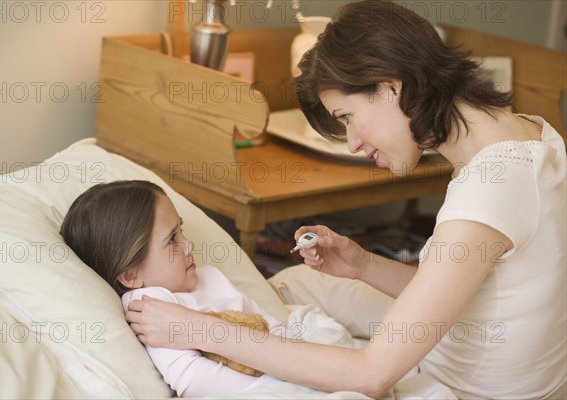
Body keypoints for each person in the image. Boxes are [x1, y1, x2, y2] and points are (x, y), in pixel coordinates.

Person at [123, 0, 566, 399]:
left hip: (464, 386)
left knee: (288, 303)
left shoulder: (491, 185)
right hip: (484, 346)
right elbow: (468, 287)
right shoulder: (524, 133)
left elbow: (371, 374)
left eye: (348, 117)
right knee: (298, 282)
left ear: (392, 87)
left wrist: (197, 329)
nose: (353, 143)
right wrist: (361, 264)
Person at [59, 180, 359, 398]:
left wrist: (301, 360)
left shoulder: (210, 277)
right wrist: (277, 388)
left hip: (282, 368)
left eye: (182, 229)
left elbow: (269, 325)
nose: (189, 244)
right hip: (255, 389)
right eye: (172, 240)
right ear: (130, 274)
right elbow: (190, 377)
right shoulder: (151, 305)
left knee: (323, 333)